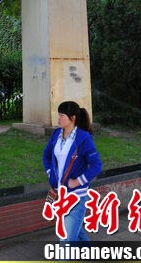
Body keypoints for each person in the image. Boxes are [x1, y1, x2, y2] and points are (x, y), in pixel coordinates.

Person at [42, 100, 102, 243]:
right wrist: (51, 175)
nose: (58, 118)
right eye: (58, 114)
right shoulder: (56, 134)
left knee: (67, 239)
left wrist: (77, 181)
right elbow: (46, 156)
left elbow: (96, 166)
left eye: (62, 115)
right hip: (61, 194)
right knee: (76, 232)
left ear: (72, 118)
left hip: (76, 196)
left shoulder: (83, 138)